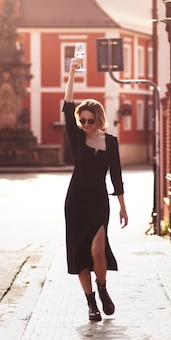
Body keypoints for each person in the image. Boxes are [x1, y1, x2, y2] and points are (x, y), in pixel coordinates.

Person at [63, 57, 128, 322]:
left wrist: (123, 206)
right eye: (83, 121)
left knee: (98, 250)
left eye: (90, 121)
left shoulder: (110, 142)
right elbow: (67, 107)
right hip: (76, 201)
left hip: (99, 201)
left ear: (98, 119)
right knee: (80, 253)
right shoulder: (78, 138)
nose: (86, 125)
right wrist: (72, 73)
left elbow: (117, 175)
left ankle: (102, 288)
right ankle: (91, 303)